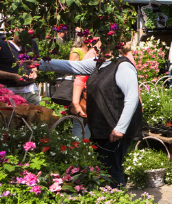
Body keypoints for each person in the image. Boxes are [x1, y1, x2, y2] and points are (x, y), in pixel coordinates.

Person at [39, 54, 142, 185]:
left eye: (98, 42)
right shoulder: (99, 63)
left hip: (115, 128)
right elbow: (74, 66)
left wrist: (120, 128)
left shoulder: (123, 66)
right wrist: (40, 64)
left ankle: (116, 200)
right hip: (103, 126)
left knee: (112, 167)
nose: (94, 45)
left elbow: (132, 99)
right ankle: (108, 200)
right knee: (104, 167)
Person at [0, 33, 40, 105]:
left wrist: (34, 71)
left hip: (31, 91)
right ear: (16, 29)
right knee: (11, 116)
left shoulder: (32, 43)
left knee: (37, 115)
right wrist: (12, 76)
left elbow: (35, 63)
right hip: (8, 93)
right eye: (23, 32)